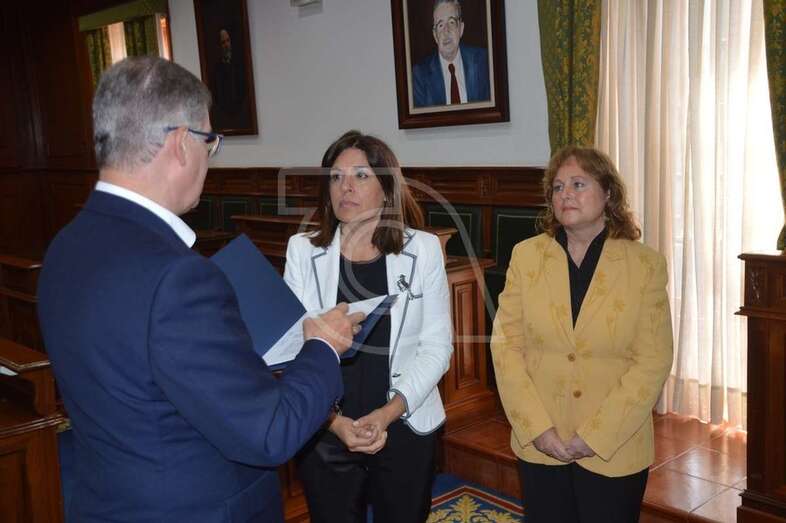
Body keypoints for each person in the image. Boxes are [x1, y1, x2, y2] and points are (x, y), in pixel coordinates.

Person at [37, 56, 364, 523]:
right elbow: (268, 432)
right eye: (210, 141)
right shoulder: (178, 277)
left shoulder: (64, 248)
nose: (210, 159)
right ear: (180, 144)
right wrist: (322, 348)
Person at [490, 146, 674, 523]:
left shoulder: (645, 265)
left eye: (578, 183)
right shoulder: (526, 257)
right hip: (541, 441)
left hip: (615, 446)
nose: (565, 194)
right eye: (557, 187)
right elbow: (506, 346)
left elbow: (653, 360)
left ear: (608, 193)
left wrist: (595, 435)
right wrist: (537, 429)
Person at [283, 130, 453, 523]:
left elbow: (437, 346)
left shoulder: (423, 250)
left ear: (387, 188)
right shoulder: (303, 250)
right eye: (336, 177)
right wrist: (334, 422)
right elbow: (293, 344)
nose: (346, 187)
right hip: (325, 429)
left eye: (361, 176)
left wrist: (387, 414)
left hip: (403, 422)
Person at [412, 0, 491, 108]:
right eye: (440, 25)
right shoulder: (419, 75)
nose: (446, 31)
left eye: (451, 22)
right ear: (435, 35)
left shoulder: (484, 61)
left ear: (461, 28)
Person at [211, 28, 247, 130]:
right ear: (219, 46)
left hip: (240, 113)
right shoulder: (217, 68)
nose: (226, 45)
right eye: (223, 43)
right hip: (224, 115)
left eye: (228, 41)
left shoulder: (240, 63)